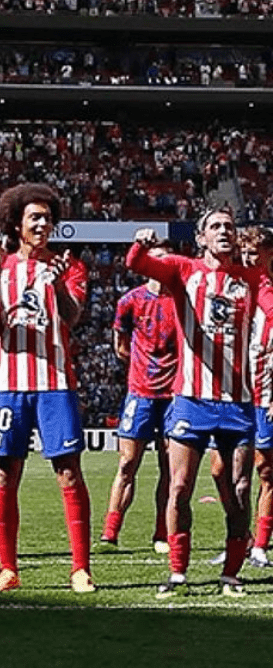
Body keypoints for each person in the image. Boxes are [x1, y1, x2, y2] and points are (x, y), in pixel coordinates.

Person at [127, 208, 264, 597]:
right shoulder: (182, 270)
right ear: (200, 237)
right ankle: (177, 573)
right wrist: (140, 245)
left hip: (238, 403)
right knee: (180, 486)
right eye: (215, 226)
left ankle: (231, 574)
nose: (224, 231)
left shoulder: (252, 278)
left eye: (229, 227)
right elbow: (137, 265)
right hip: (191, 400)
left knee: (239, 489)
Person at [0, 184, 95, 594]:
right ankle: (8, 569)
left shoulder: (68, 267)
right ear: (17, 225)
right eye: (35, 218)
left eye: (48, 218)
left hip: (55, 383)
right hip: (8, 385)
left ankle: (80, 568)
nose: (43, 224)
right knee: (5, 473)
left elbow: (72, 317)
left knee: (68, 472)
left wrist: (58, 285)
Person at [98, 243, 176, 554]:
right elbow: (120, 345)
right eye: (155, 260)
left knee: (171, 468)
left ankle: (162, 533)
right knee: (128, 462)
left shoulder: (182, 300)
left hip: (174, 396)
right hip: (140, 393)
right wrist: (143, 369)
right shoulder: (130, 301)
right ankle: (110, 533)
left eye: (165, 260)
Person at [242, 227, 273, 568]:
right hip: (233, 394)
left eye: (255, 252)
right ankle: (240, 540)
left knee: (265, 470)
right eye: (245, 252)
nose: (248, 258)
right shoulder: (236, 289)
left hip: (264, 394)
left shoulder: (267, 292)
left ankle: (260, 545)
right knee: (225, 471)